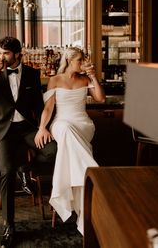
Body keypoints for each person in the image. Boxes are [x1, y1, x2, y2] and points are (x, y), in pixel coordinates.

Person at [0, 36, 56, 248]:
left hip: (26, 128)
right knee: (6, 172)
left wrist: (43, 128)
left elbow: (38, 104)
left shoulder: (33, 74)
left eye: (5, 53)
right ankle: (9, 226)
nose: (1, 57)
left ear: (17, 54)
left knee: (53, 150)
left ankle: (25, 168)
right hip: (3, 130)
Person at [34, 46, 105, 235]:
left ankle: (71, 192)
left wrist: (94, 77)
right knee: (65, 129)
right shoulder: (55, 80)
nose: (83, 63)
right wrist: (42, 128)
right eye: (80, 60)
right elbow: (49, 109)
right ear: (70, 61)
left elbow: (100, 98)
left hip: (83, 125)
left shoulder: (85, 79)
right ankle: (93, 174)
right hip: (61, 122)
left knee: (70, 137)